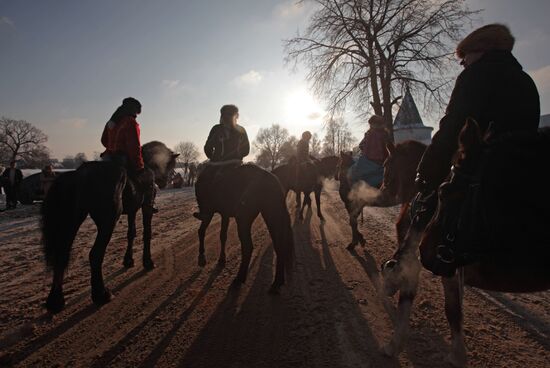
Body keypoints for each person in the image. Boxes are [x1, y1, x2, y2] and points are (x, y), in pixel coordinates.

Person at [413, 24, 540, 274]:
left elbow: (452, 127)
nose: (464, 65)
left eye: (464, 59)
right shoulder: (526, 80)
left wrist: (425, 173)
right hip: (525, 169)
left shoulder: (475, 75)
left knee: (433, 204)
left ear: (479, 50)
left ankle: (440, 254)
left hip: (486, 165)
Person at [193, 104, 250, 220]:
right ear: (236, 116)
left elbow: (207, 148)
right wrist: (238, 156)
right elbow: (246, 150)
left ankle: (204, 211)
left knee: (201, 182)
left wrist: (213, 157)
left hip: (217, 164)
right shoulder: (241, 129)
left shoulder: (216, 128)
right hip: (236, 163)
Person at [100, 97, 157, 212]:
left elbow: (103, 141)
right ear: (134, 110)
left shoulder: (110, 122)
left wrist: (112, 146)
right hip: (122, 160)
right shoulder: (130, 122)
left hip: (107, 158)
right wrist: (139, 166)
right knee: (149, 176)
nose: (136, 115)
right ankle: (149, 205)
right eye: (137, 112)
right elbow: (134, 147)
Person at [351, 115, 391, 187]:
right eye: (370, 125)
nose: (371, 126)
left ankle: (356, 191)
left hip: (370, 161)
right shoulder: (384, 134)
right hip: (381, 161)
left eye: (372, 124)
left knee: (353, 171)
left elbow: (361, 145)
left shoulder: (371, 134)